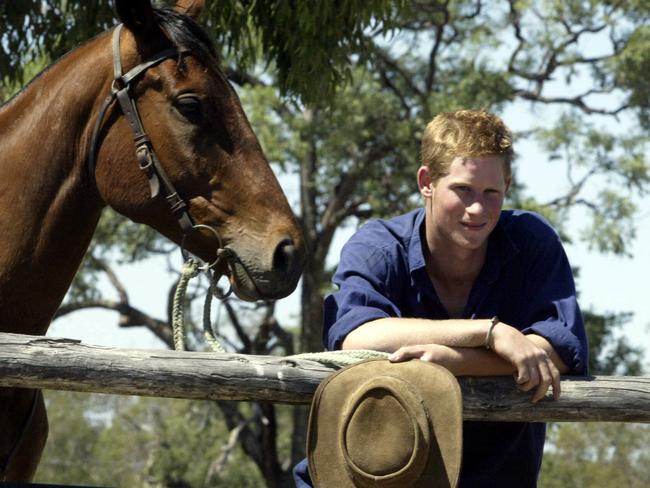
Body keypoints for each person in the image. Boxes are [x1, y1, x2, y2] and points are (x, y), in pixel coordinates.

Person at [293, 109, 588, 487]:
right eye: (463, 190)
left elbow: (559, 351)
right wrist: (491, 334)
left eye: (491, 193)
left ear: (507, 187)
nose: (478, 208)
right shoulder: (378, 247)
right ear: (426, 181)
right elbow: (357, 335)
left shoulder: (532, 241)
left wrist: (453, 360)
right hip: (370, 480)